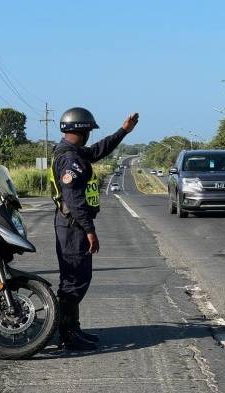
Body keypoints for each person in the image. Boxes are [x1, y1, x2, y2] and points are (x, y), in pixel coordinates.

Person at [49, 107, 139, 350]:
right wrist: (90, 230)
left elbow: (99, 150)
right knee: (74, 280)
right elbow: (74, 200)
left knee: (76, 278)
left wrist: (123, 132)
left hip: (71, 225)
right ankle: (67, 334)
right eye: (88, 129)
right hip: (73, 226)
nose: (90, 134)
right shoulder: (70, 159)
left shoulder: (72, 152)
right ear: (80, 130)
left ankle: (72, 329)